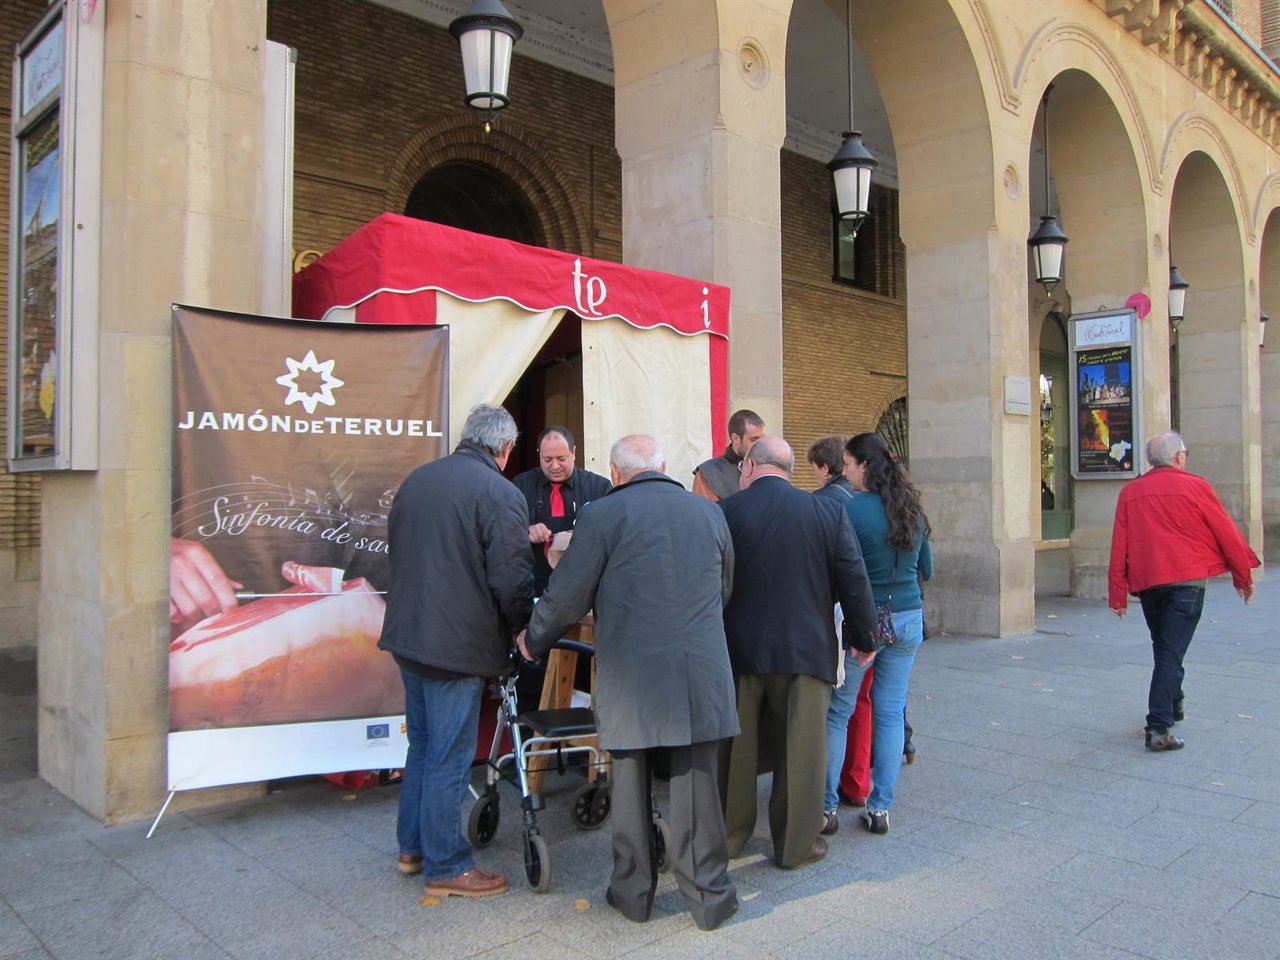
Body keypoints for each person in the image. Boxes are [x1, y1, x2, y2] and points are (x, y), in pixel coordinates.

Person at [520, 435, 739, 931]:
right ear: (663, 466)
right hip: (698, 670)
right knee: (697, 785)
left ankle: (634, 893)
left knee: (630, 779)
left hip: (632, 672)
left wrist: (533, 640)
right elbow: (725, 588)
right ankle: (709, 898)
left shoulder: (601, 515)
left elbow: (566, 595)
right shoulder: (708, 513)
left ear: (616, 475)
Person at [378, 403, 534, 899]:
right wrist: (523, 628)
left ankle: (413, 848)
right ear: (505, 448)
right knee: (448, 753)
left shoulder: (417, 481)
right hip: (455, 646)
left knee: (422, 747)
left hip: (411, 636)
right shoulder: (498, 492)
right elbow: (511, 579)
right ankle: (447, 863)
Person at [718, 436, 877, 868]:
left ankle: (729, 838)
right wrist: (865, 638)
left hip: (739, 652)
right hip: (806, 651)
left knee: (736, 751)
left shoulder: (725, 512)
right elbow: (853, 577)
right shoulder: (826, 512)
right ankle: (796, 845)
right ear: (790, 471)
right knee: (803, 751)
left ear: (749, 468)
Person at [1108, 430, 1259, 751]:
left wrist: (1118, 594)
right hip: (1187, 581)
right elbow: (1226, 531)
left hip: (1149, 584)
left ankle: (1173, 703)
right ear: (1178, 457)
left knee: (1165, 646)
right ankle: (1159, 726)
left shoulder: (1130, 492)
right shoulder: (1195, 485)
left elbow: (1119, 543)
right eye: (1185, 453)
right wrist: (1242, 577)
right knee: (1169, 650)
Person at [828, 432, 932, 837]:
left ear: (864, 466)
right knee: (890, 712)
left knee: (840, 710)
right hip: (908, 617)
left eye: (849, 464)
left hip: (865, 618)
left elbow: (840, 569)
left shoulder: (852, 512)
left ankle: (825, 808)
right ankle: (880, 807)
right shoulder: (912, 510)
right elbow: (928, 567)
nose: (846, 472)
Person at [511, 426, 611, 711]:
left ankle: (577, 749)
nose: (554, 466)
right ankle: (531, 735)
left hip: (583, 597)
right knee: (533, 673)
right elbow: (502, 532)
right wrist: (525, 530)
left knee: (581, 671)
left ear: (574, 453)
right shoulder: (521, 486)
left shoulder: (598, 487)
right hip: (535, 588)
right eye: (547, 460)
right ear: (538, 457)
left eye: (562, 459)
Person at [806, 435, 873, 814]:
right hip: (886, 616)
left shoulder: (824, 506)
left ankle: (827, 801)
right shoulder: (890, 505)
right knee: (867, 703)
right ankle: (860, 784)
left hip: (842, 618)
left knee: (836, 711)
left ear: (824, 468)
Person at [692, 409, 765, 501]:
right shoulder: (708, 473)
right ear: (735, 438)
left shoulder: (767, 469)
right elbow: (705, 512)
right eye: (754, 440)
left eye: (762, 439)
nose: (760, 445)